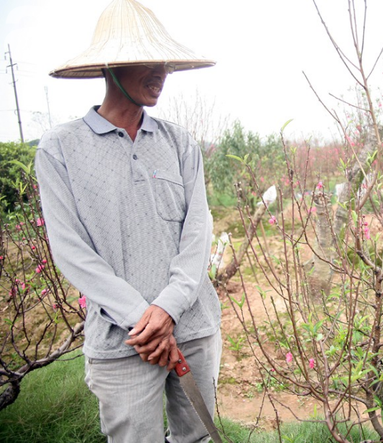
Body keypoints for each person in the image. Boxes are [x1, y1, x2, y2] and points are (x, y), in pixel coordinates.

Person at [34, 0, 222, 441]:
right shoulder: (60, 149)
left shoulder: (178, 142)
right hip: (125, 341)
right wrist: (144, 317)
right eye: (145, 60)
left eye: (163, 62)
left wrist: (169, 308)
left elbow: (198, 230)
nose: (160, 73)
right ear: (110, 67)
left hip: (193, 326)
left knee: (197, 436)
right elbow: (71, 250)